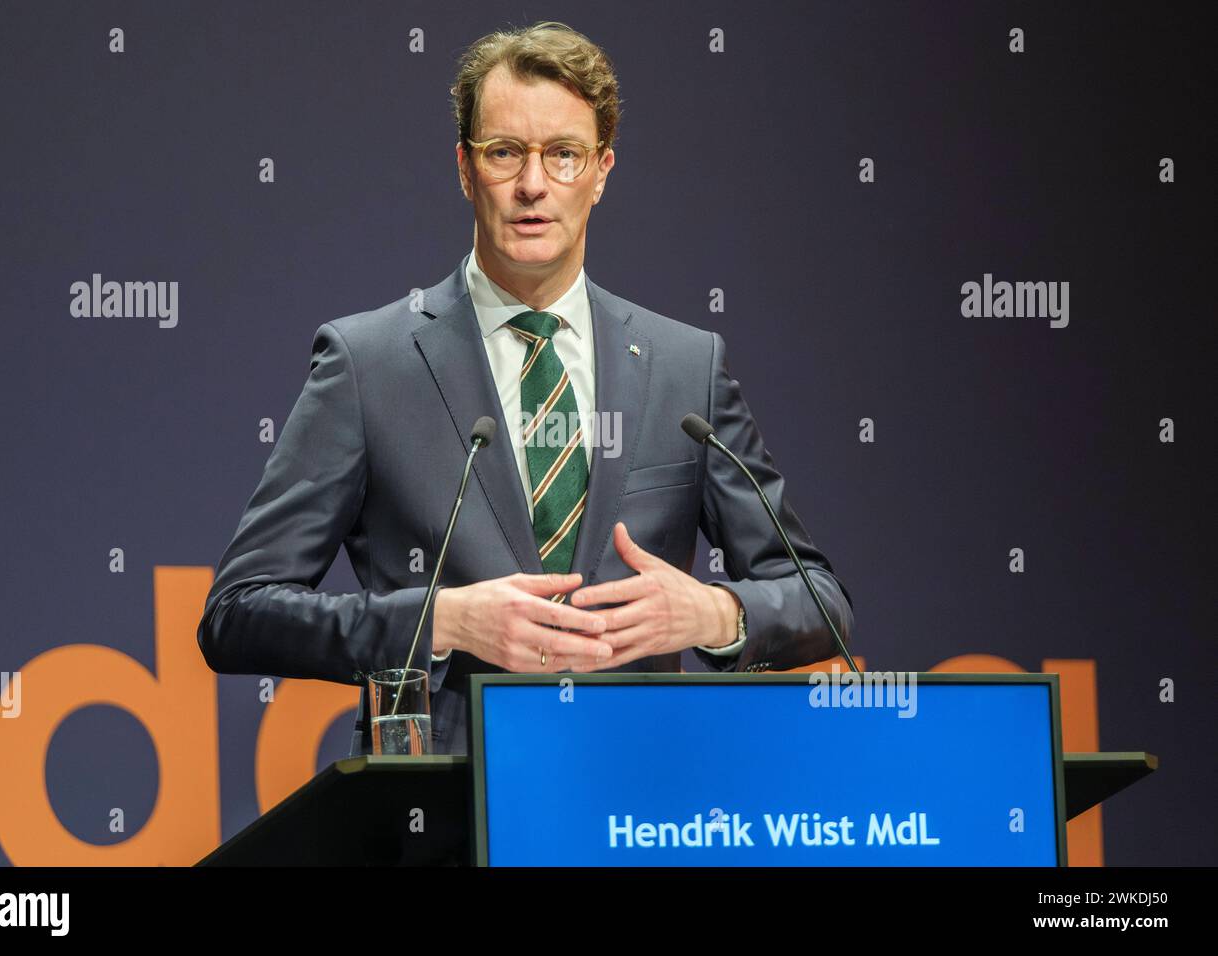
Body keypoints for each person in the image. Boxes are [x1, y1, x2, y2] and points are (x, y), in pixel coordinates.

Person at [197, 21, 854, 755]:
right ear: (464, 168)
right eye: (505, 152)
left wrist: (710, 613)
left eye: (564, 155)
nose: (533, 184)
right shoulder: (369, 364)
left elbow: (819, 601)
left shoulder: (684, 367)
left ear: (603, 170)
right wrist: (440, 622)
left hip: (636, 807)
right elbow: (237, 613)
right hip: (447, 820)